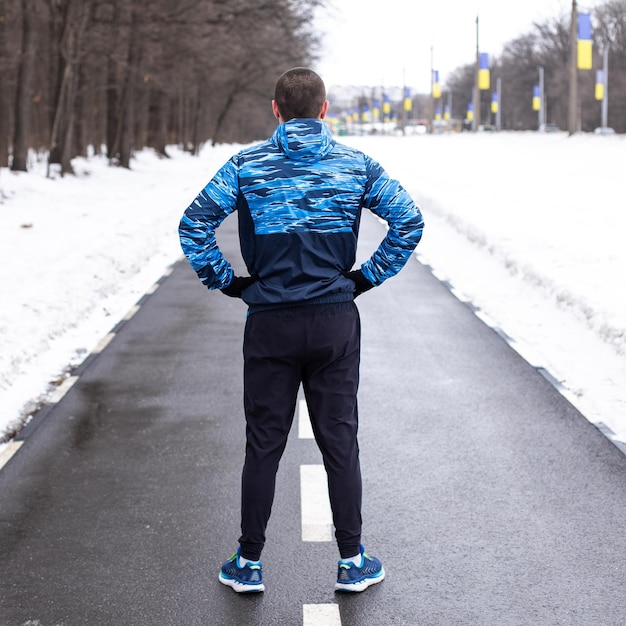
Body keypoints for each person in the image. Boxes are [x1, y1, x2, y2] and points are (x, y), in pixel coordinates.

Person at [179, 67, 424, 594]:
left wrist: (230, 284)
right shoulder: (356, 165)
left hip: (269, 322)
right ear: (324, 109)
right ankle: (353, 560)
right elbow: (409, 221)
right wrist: (362, 279)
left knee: (263, 444)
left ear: (275, 110)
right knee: (340, 439)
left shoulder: (246, 166)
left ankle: (248, 564)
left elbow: (193, 224)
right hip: (334, 322)